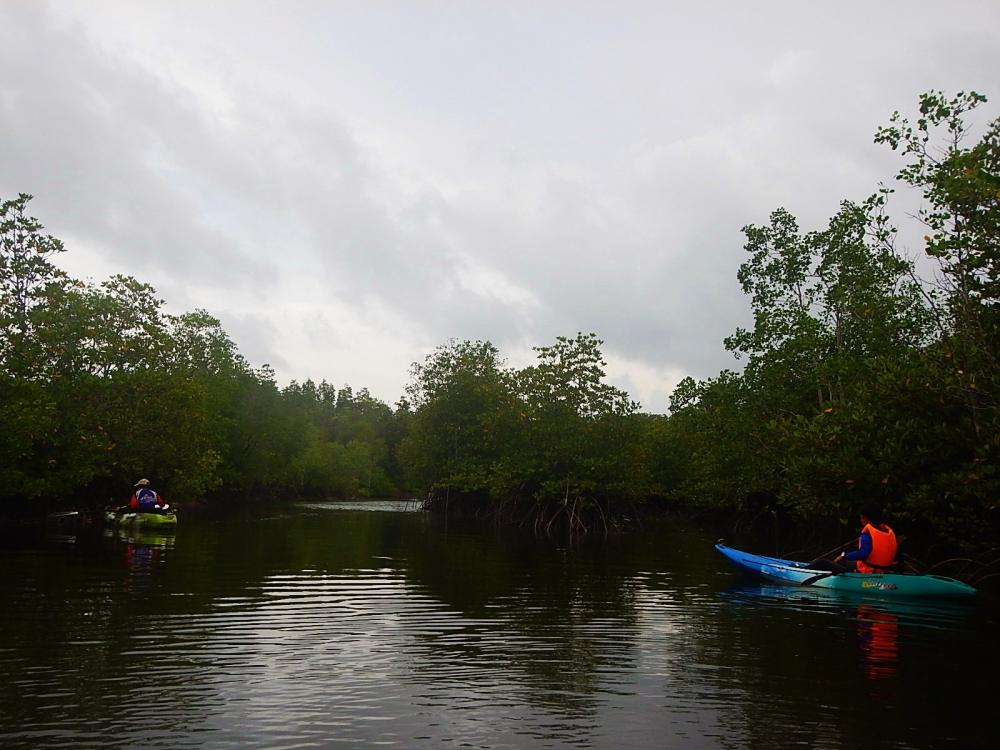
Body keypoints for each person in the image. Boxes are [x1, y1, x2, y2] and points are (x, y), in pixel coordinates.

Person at [835, 508, 897, 573]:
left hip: (868, 571)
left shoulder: (867, 532)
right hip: (883, 570)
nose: (861, 520)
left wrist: (843, 555)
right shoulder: (889, 531)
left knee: (838, 561)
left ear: (866, 518)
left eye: (861, 518)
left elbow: (863, 554)